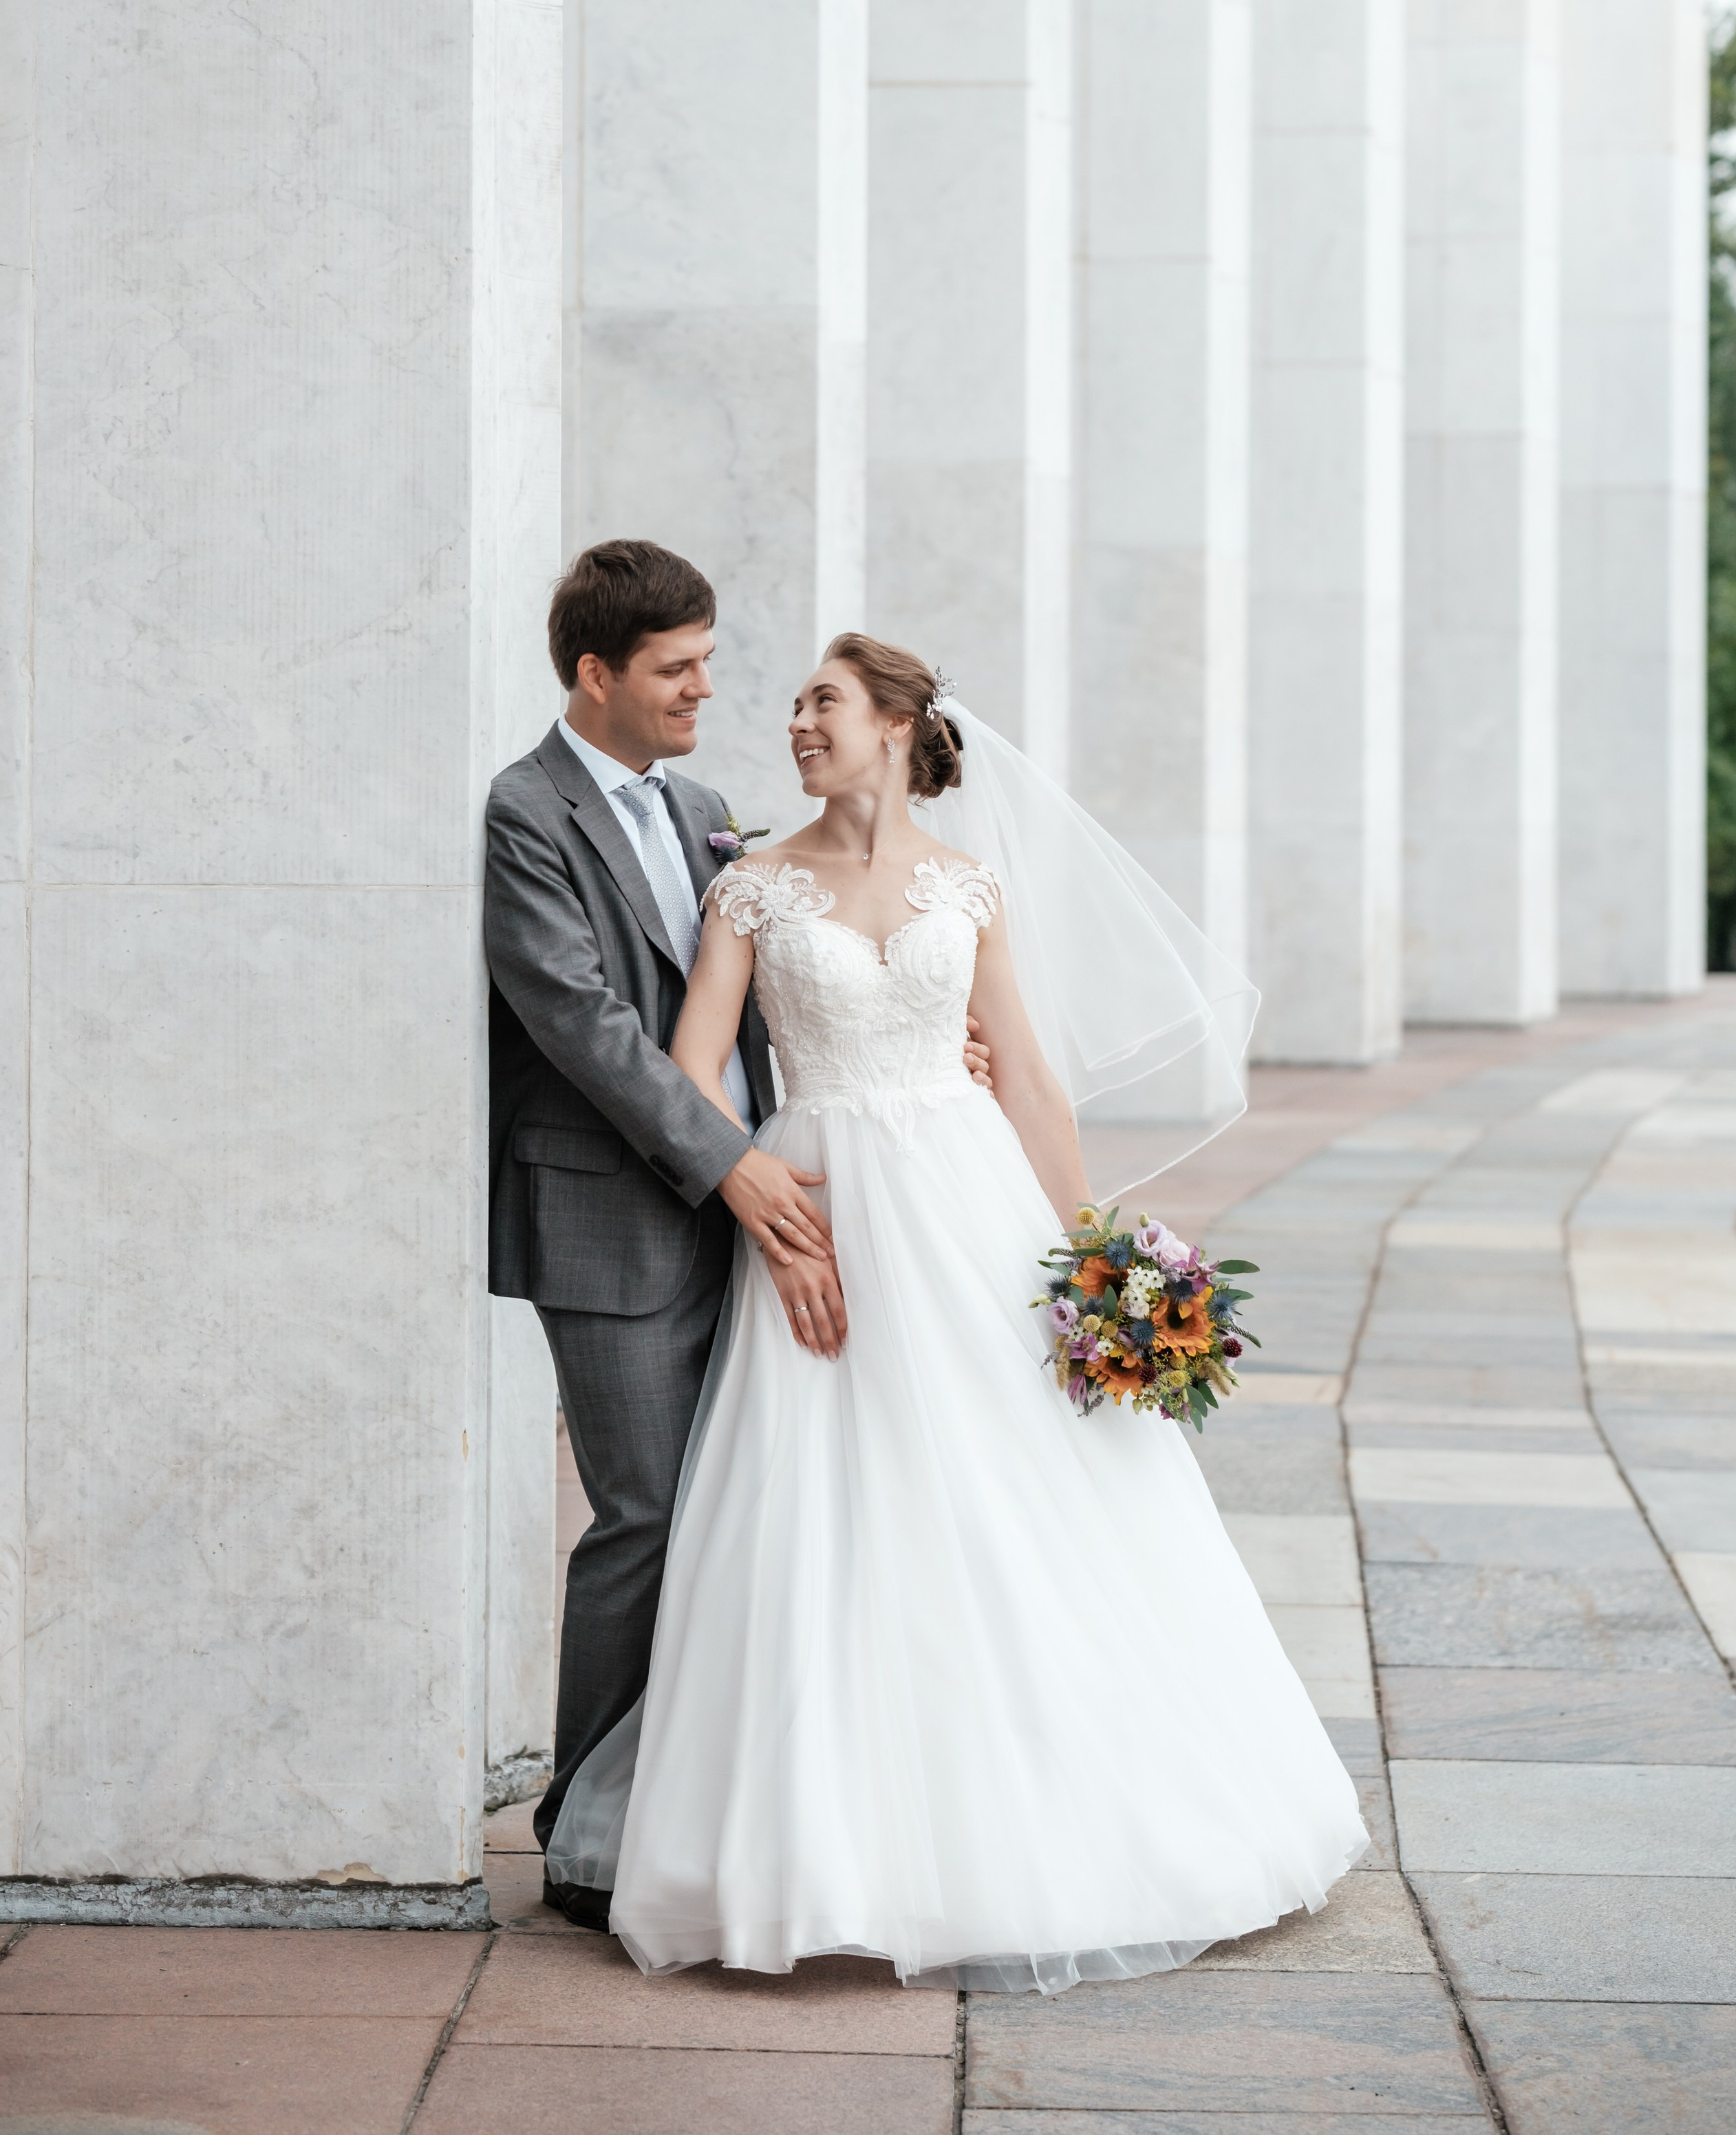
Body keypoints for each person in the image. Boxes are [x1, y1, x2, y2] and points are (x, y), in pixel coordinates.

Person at [544, 633, 1369, 1992]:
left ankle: (1072, 1826)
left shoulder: (965, 887)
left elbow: (1030, 1082)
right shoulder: (748, 888)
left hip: (969, 1211)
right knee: (828, 1521)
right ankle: (827, 1856)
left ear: (893, 726)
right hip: (819, 1225)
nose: (796, 721)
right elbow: (694, 1075)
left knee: (1020, 1502)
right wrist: (767, 1216)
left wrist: (1094, 1258)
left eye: (824, 702)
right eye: (796, 703)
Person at [483, 546, 989, 1927]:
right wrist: (742, 1176)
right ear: (596, 675)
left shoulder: (709, 810)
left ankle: (709, 1802)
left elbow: (786, 985)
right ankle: (586, 1829)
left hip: (762, 1209)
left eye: (709, 661)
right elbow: (583, 1024)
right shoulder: (524, 813)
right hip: (611, 1219)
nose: (709, 689)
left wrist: (936, 1059)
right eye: (675, 669)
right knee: (646, 1516)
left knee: (748, 1522)